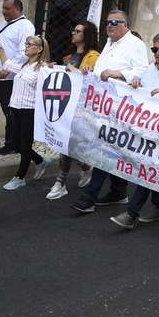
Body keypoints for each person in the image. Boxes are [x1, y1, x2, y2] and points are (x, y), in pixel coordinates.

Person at [69, 10, 150, 214]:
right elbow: (103, 69)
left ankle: (89, 197)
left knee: (105, 148)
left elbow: (142, 71)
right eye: (107, 22)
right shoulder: (109, 43)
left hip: (120, 108)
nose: (110, 25)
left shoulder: (135, 44)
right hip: (102, 107)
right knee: (114, 149)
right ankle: (118, 190)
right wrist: (93, 72)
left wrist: (118, 73)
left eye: (114, 22)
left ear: (125, 24)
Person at [109, 32, 159, 229]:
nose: (158, 53)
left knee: (149, 168)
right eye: (154, 49)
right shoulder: (148, 70)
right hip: (144, 128)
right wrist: (135, 83)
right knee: (152, 168)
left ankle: (131, 213)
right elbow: (138, 89)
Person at [0, 34, 53, 192]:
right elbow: (7, 64)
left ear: (39, 49)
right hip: (15, 108)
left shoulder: (44, 69)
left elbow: (51, 87)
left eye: (29, 44)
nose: (25, 46)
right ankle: (39, 161)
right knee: (16, 144)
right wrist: (1, 49)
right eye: (26, 43)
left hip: (29, 111)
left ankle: (20, 177)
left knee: (24, 145)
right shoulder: (25, 66)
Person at [48, 20, 100, 199]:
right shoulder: (69, 56)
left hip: (81, 110)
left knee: (68, 142)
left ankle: (60, 182)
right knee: (67, 142)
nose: (73, 33)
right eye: (73, 30)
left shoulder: (93, 56)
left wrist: (73, 70)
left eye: (77, 31)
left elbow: (91, 82)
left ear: (86, 35)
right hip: (67, 106)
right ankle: (86, 167)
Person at [0, 0, 35, 154]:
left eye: (7, 8)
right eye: (3, 8)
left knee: (9, 112)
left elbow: (24, 51)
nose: (3, 11)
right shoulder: (5, 24)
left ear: (18, 9)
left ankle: (12, 144)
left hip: (8, 77)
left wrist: (9, 68)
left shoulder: (25, 26)